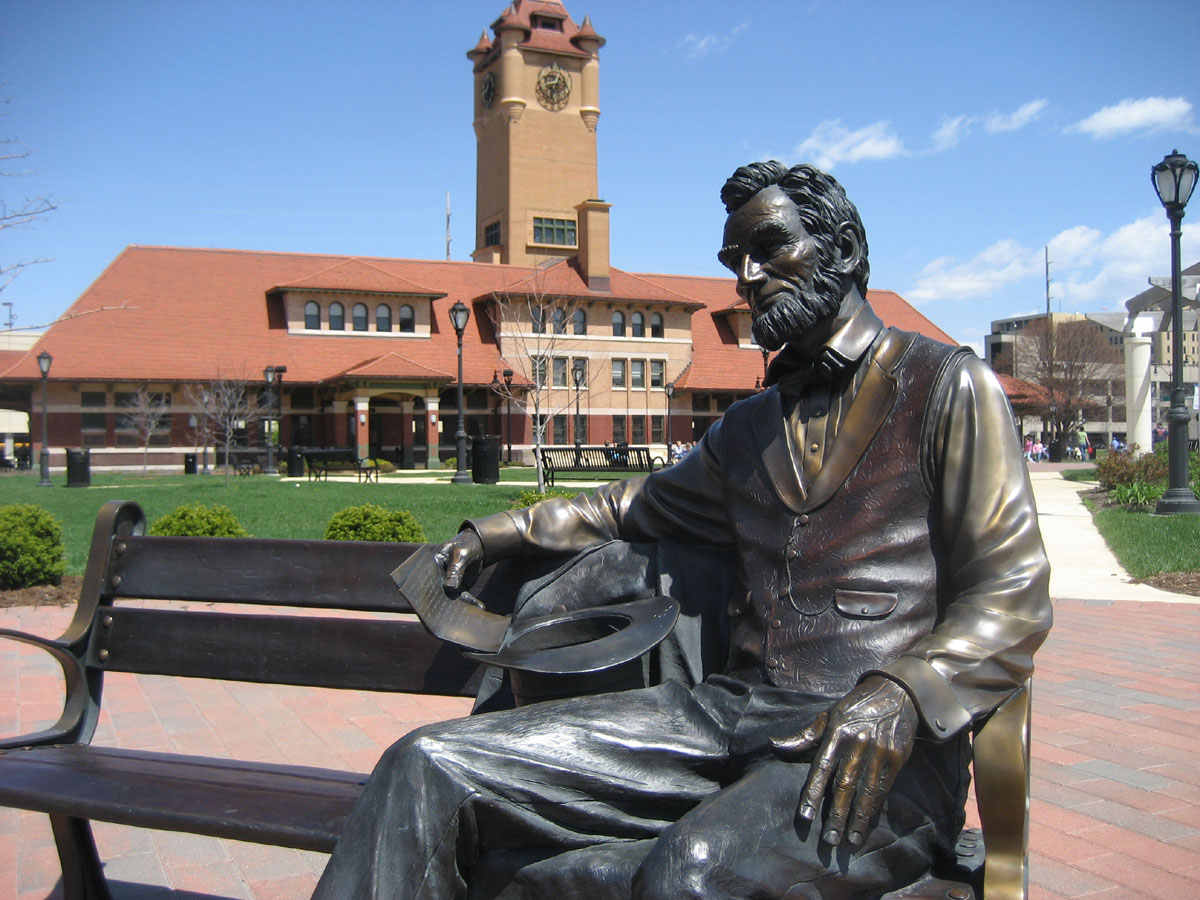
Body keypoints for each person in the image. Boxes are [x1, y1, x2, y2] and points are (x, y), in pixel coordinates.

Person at [313, 162, 1052, 900]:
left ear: (846, 249)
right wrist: (488, 535)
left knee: (690, 874)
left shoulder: (948, 387)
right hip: (725, 714)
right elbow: (623, 507)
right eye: (737, 261)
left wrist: (903, 690)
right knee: (428, 766)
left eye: (770, 248)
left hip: (873, 754)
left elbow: (1014, 594)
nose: (748, 277)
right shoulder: (748, 427)